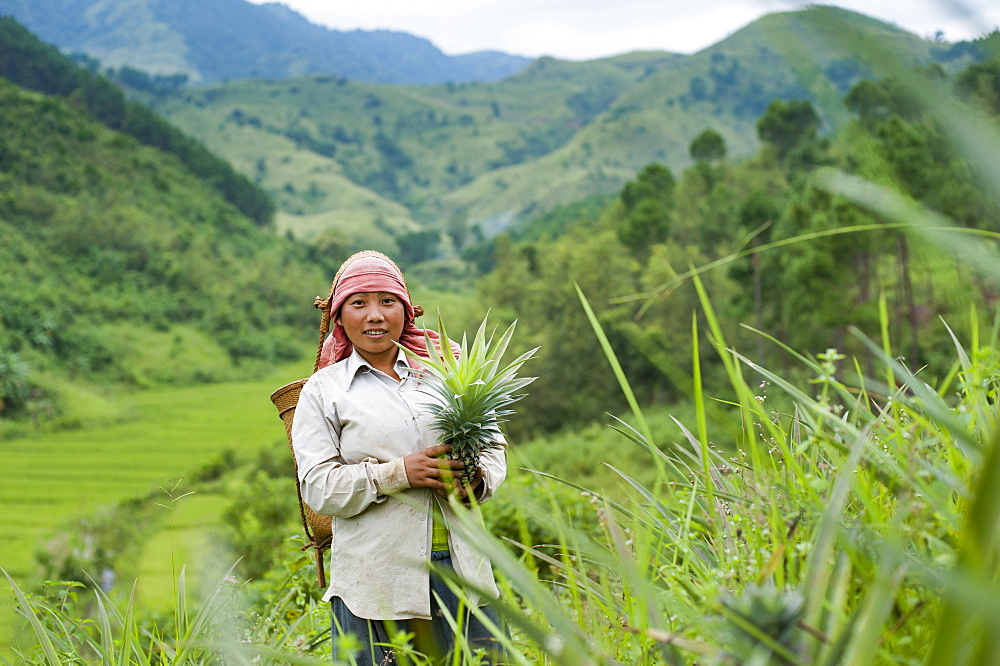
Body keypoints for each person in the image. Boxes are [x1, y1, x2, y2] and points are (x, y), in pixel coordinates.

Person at [290, 250, 506, 665]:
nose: (375, 315)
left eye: (387, 301)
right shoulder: (324, 391)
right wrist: (400, 473)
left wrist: (473, 481)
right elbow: (318, 487)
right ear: (339, 317)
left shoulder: (446, 372)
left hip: (464, 572)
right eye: (359, 303)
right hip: (377, 581)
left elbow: (494, 448)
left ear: (406, 311)